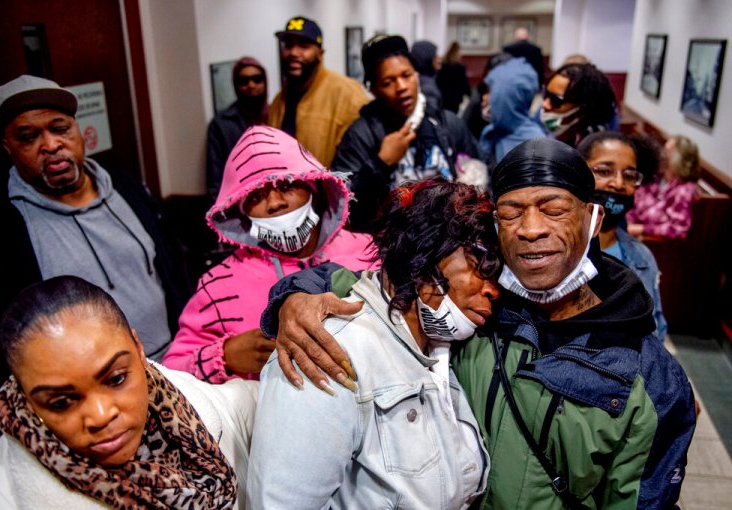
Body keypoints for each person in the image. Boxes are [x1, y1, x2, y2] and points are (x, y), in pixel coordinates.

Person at [261, 138, 696, 509]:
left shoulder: (648, 377)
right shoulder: (482, 303)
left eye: (554, 209)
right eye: (511, 213)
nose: (530, 229)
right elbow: (378, 277)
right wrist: (293, 299)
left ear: (593, 218)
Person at [0, 75, 189, 472]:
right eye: (28, 136)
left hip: (177, 370)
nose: (50, 144)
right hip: (96, 409)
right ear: (8, 147)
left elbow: (170, 273)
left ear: (79, 130)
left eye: (59, 128)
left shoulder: (127, 188)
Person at [248, 180, 498, 508]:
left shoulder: (440, 347)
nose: (493, 289)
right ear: (429, 250)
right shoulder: (330, 350)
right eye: (483, 266)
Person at [0, 276, 257, 510]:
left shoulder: (215, 406)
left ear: (139, 349)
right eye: (62, 402)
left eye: (116, 379)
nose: (101, 416)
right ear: (28, 400)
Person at [162, 126, 374, 384]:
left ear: (315, 189)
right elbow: (171, 373)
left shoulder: (367, 251)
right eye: (256, 196)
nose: (275, 203)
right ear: (241, 213)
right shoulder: (218, 285)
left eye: (286, 185)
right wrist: (224, 356)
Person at [332, 34, 480, 233]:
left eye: (406, 75)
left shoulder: (447, 124)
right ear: (374, 89)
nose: (401, 87)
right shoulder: (360, 135)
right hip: (388, 251)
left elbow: (479, 177)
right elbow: (344, 207)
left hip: (448, 243)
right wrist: (380, 163)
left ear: (416, 75)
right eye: (388, 82)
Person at [578, 131, 667, 341]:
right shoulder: (553, 250)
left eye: (629, 176)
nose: (618, 183)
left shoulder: (642, 257)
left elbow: (656, 331)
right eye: (605, 171)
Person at [269, 16, 368, 166]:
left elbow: (358, 165)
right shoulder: (279, 101)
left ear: (320, 54)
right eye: (288, 45)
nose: (294, 53)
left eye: (304, 46)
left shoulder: (348, 94)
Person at [207, 56, 269, 201]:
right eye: (244, 81)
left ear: (265, 82)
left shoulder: (277, 115)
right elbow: (215, 179)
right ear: (236, 85)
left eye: (257, 79)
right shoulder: (221, 124)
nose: (251, 85)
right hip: (239, 204)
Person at [627, 135, 700, 240]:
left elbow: (678, 229)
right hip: (631, 234)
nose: (661, 155)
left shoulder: (684, 190)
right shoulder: (655, 178)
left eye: (667, 151)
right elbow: (634, 202)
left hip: (654, 244)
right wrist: (629, 222)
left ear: (678, 159)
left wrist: (641, 229)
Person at [478, 57, 547, 166]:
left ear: (506, 98)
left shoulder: (535, 144)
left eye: (490, 92)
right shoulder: (490, 132)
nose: (484, 97)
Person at [542, 63, 616, 147]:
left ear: (584, 106)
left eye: (555, 99)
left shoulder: (593, 149)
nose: (545, 104)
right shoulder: (564, 135)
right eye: (545, 93)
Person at [436, 41, 471, 114]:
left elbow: (438, 81)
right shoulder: (460, 68)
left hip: (443, 97)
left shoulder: (442, 66)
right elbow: (464, 83)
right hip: (455, 98)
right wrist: (469, 94)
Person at [410, 40, 443, 110]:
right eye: (435, 56)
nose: (439, 60)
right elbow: (432, 115)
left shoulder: (423, 78)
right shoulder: (427, 88)